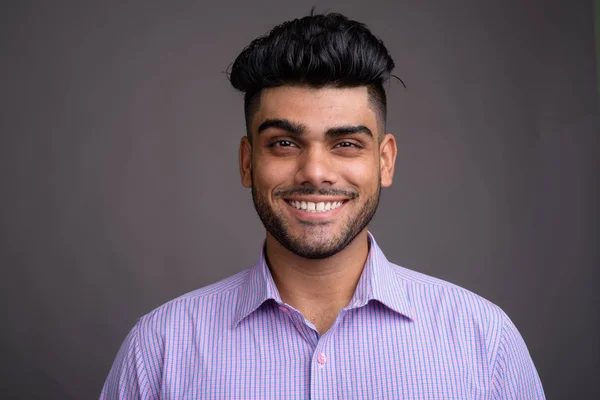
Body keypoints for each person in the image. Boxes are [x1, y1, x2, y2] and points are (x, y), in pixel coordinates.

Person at [100, 11, 545, 399]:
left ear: (384, 161)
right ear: (246, 162)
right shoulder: (158, 349)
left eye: (347, 143)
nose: (315, 171)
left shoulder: (485, 342)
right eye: (284, 143)